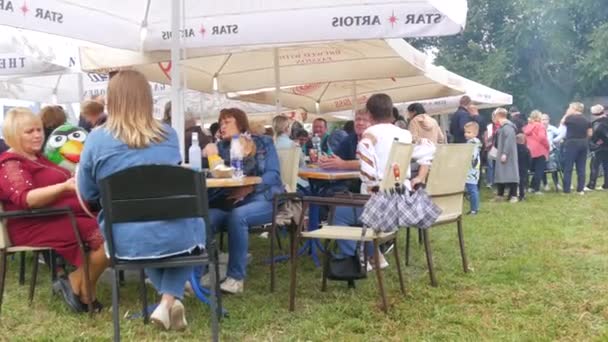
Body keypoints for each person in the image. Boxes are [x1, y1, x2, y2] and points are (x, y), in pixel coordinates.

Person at [78, 70, 206, 330]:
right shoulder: (169, 135)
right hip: (176, 234)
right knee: (191, 232)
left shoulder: (96, 139)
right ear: (148, 99)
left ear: (111, 100)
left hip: (123, 240)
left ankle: (167, 302)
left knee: (148, 236)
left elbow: (88, 194)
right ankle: (169, 300)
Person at [0, 107, 108, 313]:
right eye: (29, 131)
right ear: (13, 134)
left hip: (60, 216)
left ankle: (78, 284)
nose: (38, 135)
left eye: (39, 129)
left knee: (113, 231)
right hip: (33, 222)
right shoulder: (11, 163)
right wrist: (64, 187)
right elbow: (27, 199)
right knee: (108, 236)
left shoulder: (37, 158)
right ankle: (81, 287)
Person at [334, 94, 435, 268]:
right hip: (402, 205)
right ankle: (374, 256)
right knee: (359, 210)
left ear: (370, 115)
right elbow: (428, 150)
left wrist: (372, 186)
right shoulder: (405, 134)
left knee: (338, 214)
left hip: (379, 208)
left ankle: (356, 261)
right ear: (391, 112)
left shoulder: (370, 134)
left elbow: (366, 163)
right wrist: (420, 177)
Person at [203, 108, 283, 294]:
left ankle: (235, 278)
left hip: (263, 198)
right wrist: (209, 154)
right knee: (204, 217)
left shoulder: (262, 142)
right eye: (220, 123)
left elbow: (273, 175)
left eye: (227, 122)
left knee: (238, 216)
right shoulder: (221, 148)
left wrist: (252, 187)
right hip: (229, 201)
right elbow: (215, 179)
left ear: (240, 123)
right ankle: (196, 274)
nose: (222, 127)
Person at [560, 102, 591, 194]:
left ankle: (566, 190)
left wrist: (566, 114)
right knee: (581, 167)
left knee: (568, 167)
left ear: (574, 108)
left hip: (572, 143)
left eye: (570, 107)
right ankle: (580, 189)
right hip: (583, 142)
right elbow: (590, 133)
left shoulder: (570, 118)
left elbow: (562, 122)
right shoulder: (586, 120)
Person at [493, 108, 519, 203]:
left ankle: (514, 195)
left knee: (511, 173)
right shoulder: (502, 127)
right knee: (501, 174)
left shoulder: (508, 127)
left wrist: (505, 153)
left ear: (498, 116)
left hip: (508, 154)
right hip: (502, 153)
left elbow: (509, 140)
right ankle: (500, 195)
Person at [523, 110, 550, 194]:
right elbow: (542, 137)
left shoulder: (527, 127)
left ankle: (530, 187)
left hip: (529, 150)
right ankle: (536, 189)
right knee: (539, 170)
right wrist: (547, 146)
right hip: (540, 150)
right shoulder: (540, 126)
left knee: (532, 171)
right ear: (539, 117)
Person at [586, 105, 608, 190]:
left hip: (599, 148)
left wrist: (596, 142)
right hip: (606, 147)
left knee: (594, 166)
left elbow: (594, 136)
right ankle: (606, 185)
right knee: (606, 166)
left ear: (593, 113)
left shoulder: (597, 123)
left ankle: (591, 185)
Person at [464, 122, 482, 214]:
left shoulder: (473, 142)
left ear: (475, 133)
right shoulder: (471, 142)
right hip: (470, 169)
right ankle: (473, 208)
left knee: (472, 189)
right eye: (465, 132)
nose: (466, 134)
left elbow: (472, 156)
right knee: (471, 188)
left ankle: (474, 209)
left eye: (469, 132)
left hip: (472, 169)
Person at [541, 113, 561, 191]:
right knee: (542, 169)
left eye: (546, 119)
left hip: (550, 151)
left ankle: (557, 184)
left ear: (549, 120)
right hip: (541, 152)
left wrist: (554, 141)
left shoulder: (552, 128)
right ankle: (545, 184)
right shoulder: (538, 128)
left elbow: (560, 134)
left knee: (553, 168)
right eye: (542, 119)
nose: (544, 121)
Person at [516, 134, 531, 201]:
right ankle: (522, 195)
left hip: (516, 167)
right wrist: (528, 167)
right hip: (524, 167)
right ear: (524, 140)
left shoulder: (515, 149)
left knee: (515, 181)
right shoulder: (526, 149)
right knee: (522, 182)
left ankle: (514, 194)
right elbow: (529, 160)